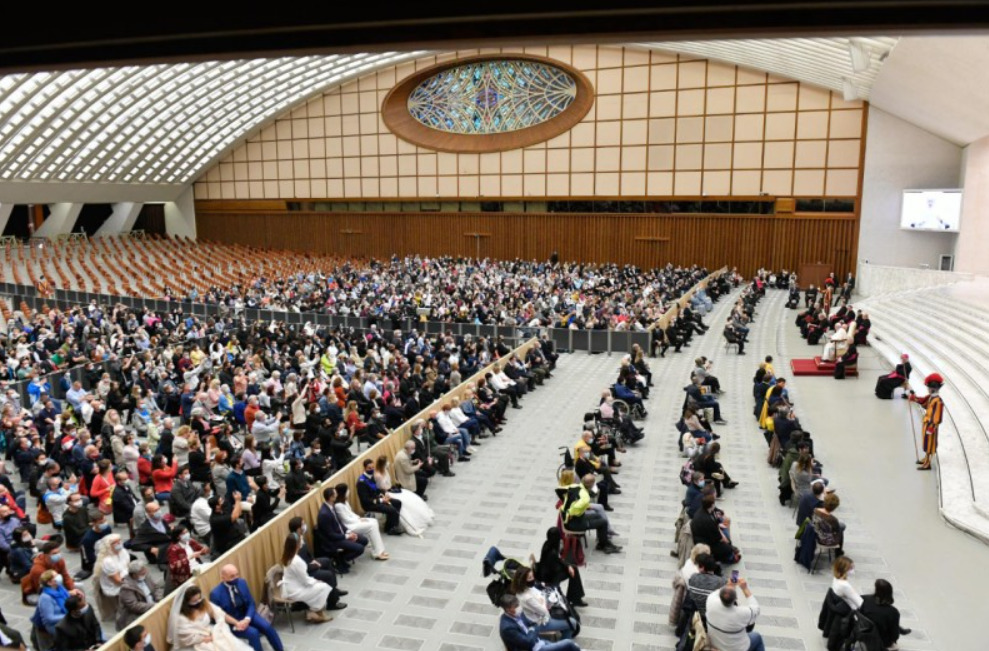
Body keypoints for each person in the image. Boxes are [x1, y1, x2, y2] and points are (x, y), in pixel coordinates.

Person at [210, 564, 284, 651]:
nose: (236, 578)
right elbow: (218, 616)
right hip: (232, 622)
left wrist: (247, 618)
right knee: (253, 633)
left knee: (267, 627)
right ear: (223, 578)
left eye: (237, 574)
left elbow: (251, 603)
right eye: (232, 576)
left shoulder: (242, 582)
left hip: (247, 615)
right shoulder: (215, 594)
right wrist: (236, 623)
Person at [166, 584, 252, 651]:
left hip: (211, 633)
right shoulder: (181, 618)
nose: (198, 602)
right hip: (196, 642)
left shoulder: (203, 603)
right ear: (186, 602)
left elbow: (220, 613)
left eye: (199, 598)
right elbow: (186, 639)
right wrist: (208, 638)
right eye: (194, 601)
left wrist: (237, 623)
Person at [508, 566, 574, 639]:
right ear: (523, 581)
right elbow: (544, 611)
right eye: (530, 578)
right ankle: (565, 642)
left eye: (533, 576)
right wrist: (543, 601)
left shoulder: (524, 589)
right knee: (572, 622)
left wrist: (542, 600)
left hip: (538, 615)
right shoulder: (527, 597)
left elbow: (540, 594)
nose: (533, 579)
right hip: (540, 622)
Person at [373, 455, 433, 536]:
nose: (388, 463)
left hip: (391, 489)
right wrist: (389, 491)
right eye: (387, 462)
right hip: (386, 493)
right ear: (383, 464)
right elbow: (381, 487)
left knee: (410, 497)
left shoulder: (385, 470)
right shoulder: (378, 475)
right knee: (402, 501)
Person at [279, 535, 333, 623]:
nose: (302, 542)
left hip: (291, 586)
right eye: (301, 541)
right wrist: (316, 581)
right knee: (323, 586)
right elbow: (306, 580)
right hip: (295, 590)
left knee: (319, 585)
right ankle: (314, 612)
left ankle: (316, 612)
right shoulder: (296, 561)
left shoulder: (288, 555)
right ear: (297, 545)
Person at [498, 594, 580, 651]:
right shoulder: (507, 628)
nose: (519, 607)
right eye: (515, 606)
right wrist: (533, 629)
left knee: (567, 646)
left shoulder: (518, 613)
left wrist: (532, 630)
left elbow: (532, 624)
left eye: (518, 604)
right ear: (508, 609)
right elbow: (528, 642)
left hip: (538, 641)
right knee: (569, 644)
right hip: (533, 648)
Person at [316, 487, 368, 571]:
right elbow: (331, 535)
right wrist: (347, 536)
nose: (337, 495)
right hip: (333, 541)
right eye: (335, 494)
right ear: (331, 497)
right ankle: (340, 559)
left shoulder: (331, 506)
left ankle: (342, 556)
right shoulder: (324, 514)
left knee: (364, 540)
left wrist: (349, 532)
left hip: (341, 534)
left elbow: (339, 523)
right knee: (360, 548)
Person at [333, 484, 389, 560]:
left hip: (355, 521)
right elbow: (346, 520)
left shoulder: (344, 501)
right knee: (372, 526)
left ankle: (377, 549)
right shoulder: (338, 505)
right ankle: (378, 553)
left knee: (374, 521)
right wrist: (358, 520)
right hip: (350, 526)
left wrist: (359, 518)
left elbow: (351, 513)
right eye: (347, 490)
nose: (349, 491)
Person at [534, 527, 586, 608]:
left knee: (573, 568)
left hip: (547, 571)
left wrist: (568, 566)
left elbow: (557, 560)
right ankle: (575, 598)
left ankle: (575, 598)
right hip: (549, 577)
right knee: (574, 570)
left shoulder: (547, 544)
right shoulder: (552, 552)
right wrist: (567, 567)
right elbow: (555, 565)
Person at [705, 581, 763, 651]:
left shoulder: (710, 601)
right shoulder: (742, 613)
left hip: (716, 646)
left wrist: (729, 586)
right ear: (735, 599)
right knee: (757, 637)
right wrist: (745, 588)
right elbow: (756, 609)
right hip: (738, 648)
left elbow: (716, 593)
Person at [355, 458, 402, 535]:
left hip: (377, 499)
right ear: (364, 468)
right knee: (392, 509)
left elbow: (376, 489)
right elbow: (365, 500)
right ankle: (391, 529)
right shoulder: (361, 482)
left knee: (397, 502)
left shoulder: (371, 476)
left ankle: (391, 526)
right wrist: (381, 500)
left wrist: (384, 494)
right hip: (370, 504)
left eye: (373, 467)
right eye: (369, 468)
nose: (372, 469)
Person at [908, 373, 945, 470]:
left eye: (929, 387)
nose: (928, 389)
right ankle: (926, 458)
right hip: (926, 424)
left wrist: (932, 427)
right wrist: (914, 398)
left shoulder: (938, 401)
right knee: (926, 443)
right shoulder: (931, 397)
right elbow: (924, 403)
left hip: (931, 426)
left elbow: (937, 417)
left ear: (933, 388)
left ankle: (927, 463)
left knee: (929, 444)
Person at [860, 579, 911, 650]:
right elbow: (894, 636)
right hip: (881, 642)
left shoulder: (864, 599)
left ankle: (900, 629)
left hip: (862, 633)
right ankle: (900, 629)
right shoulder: (893, 612)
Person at [116, 559, 164, 631]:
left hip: (152, 606)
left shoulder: (146, 576)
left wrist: (159, 599)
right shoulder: (126, 587)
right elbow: (134, 606)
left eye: (144, 570)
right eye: (142, 572)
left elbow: (156, 587)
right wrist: (153, 606)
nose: (145, 572)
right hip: (135, 616)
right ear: (134, 575)